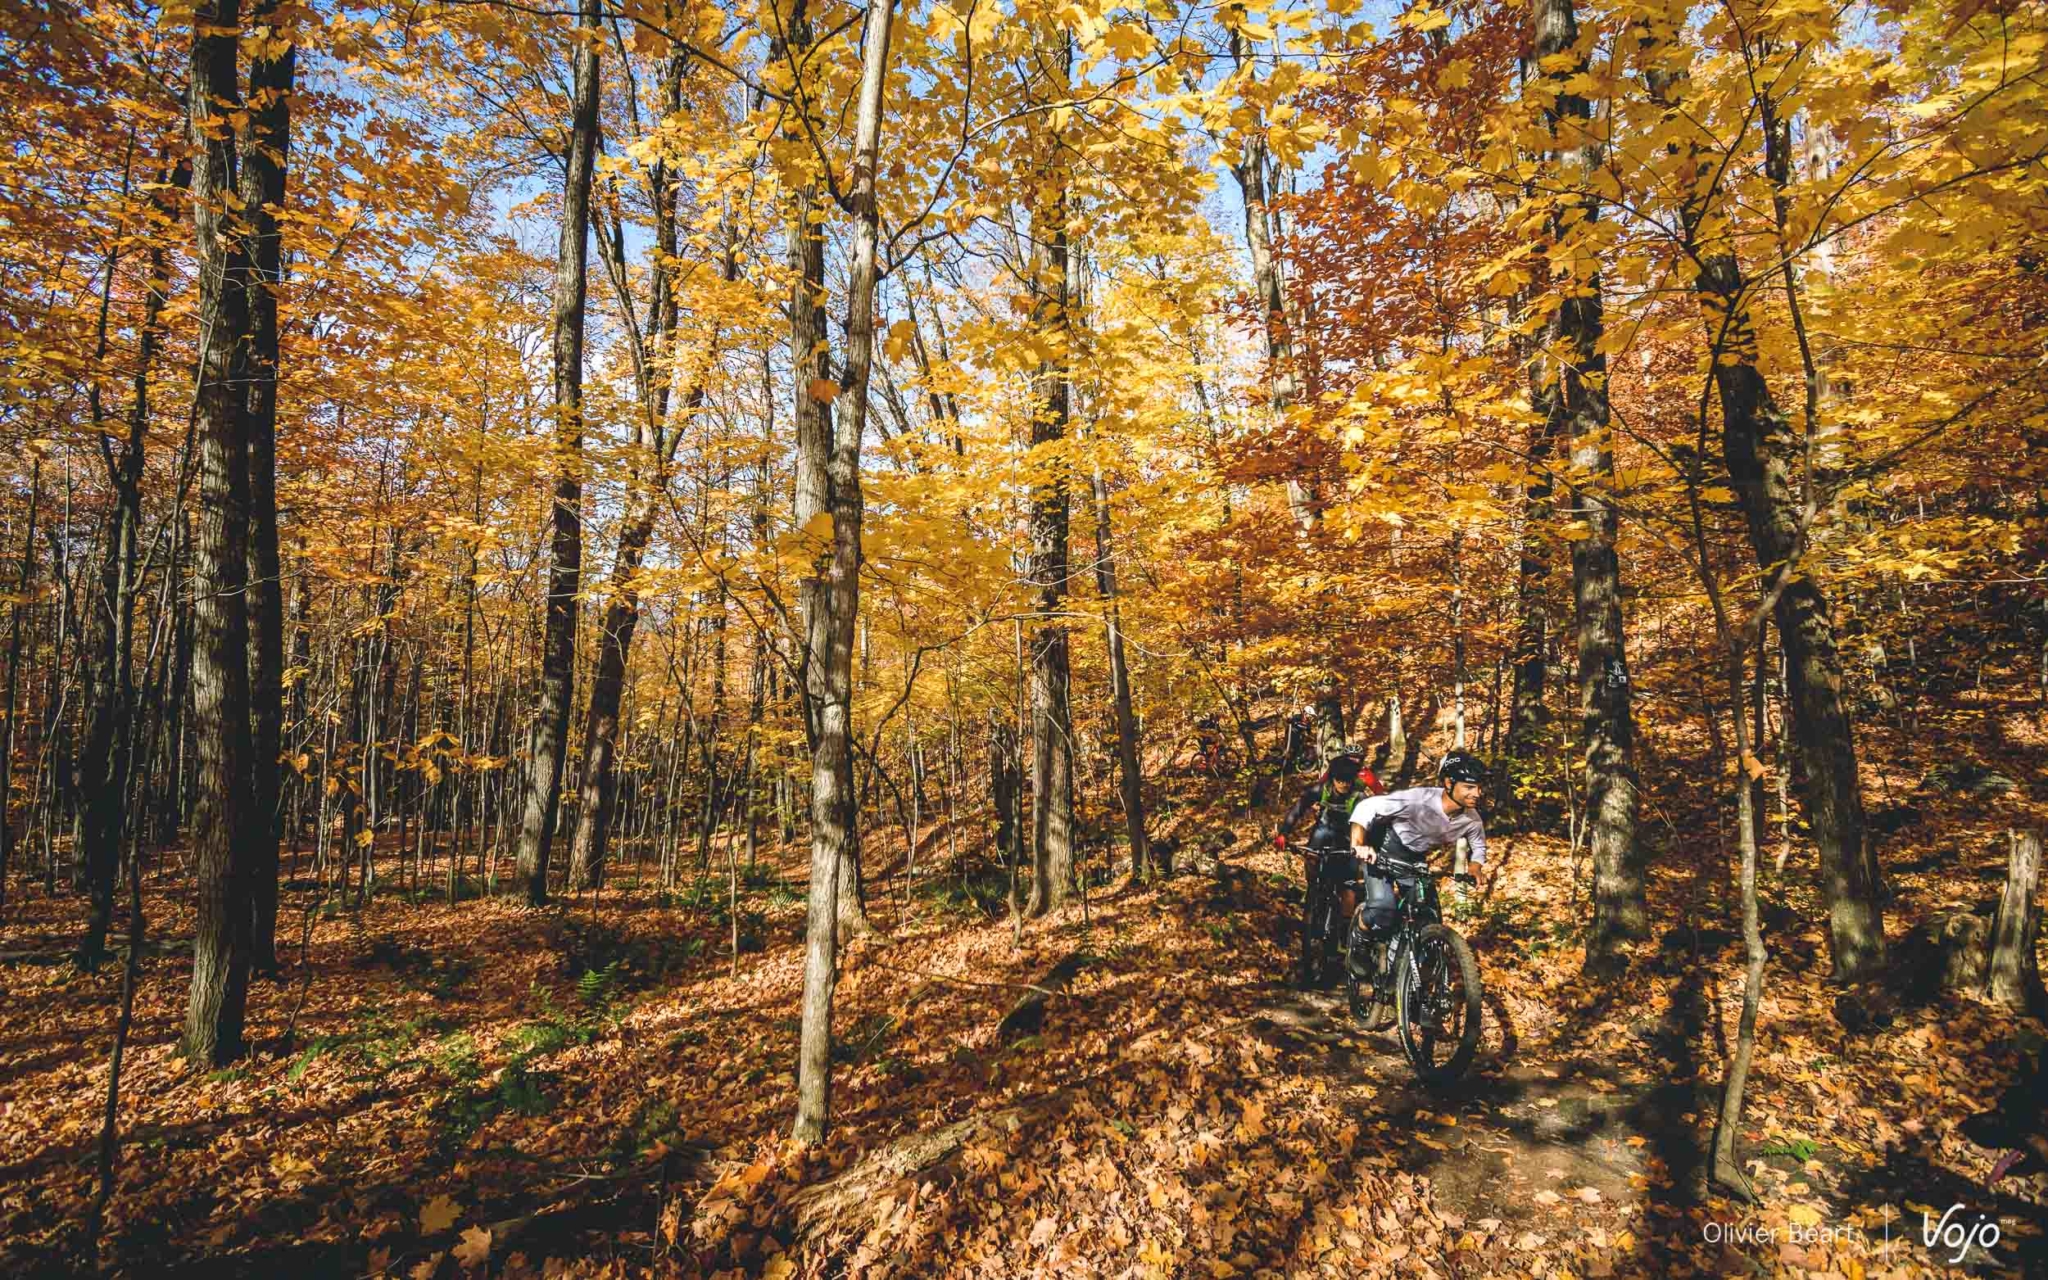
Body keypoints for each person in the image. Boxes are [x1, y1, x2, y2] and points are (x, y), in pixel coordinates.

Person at [1344, 751, 1490, 1000]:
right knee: (1383, 907)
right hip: (1382, 848)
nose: (1477, 793)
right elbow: (1367, 806)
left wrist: (1475, 867)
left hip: (1415, 858)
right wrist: (1359, 844)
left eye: (1479, 787)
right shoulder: (1419, 800)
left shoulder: (1471, 818)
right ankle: (1359, 940)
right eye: (1469, 787)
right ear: (1448, 783)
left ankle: (1405, 977)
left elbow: (1478, 845)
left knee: (1429, 916)